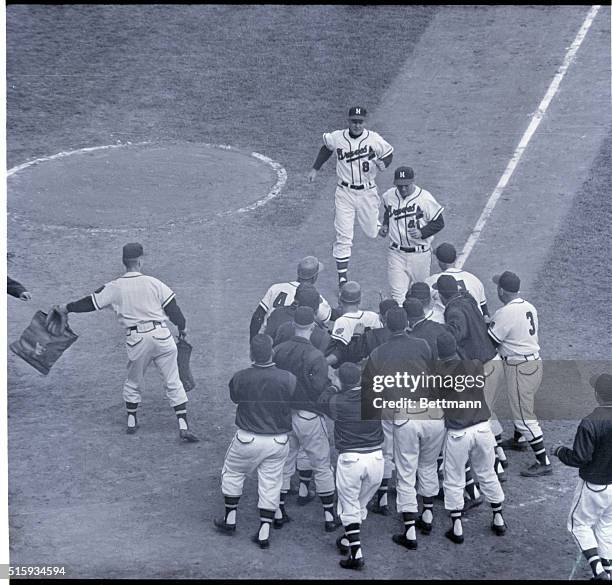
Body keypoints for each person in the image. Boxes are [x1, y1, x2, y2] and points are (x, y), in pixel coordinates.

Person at [53, 243, 198, 441]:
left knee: (134, 380)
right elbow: (175, 311)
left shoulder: (115, 287)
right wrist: (182, 329)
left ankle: (132, 420)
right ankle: (182, 424)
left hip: (137, 339)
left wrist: (66, 308)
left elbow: (89, 303)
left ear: (124, 262)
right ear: (140, 260)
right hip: (162, 336)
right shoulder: (154, 283)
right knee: (173, 380)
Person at [214, 335, 296, 549]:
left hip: (247, 439)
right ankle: (264, 532)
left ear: (251, 354)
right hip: (278, 441)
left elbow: (235, 398)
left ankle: (230, 519)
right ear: (272, 352)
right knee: (271, 482)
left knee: (232, 472)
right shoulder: (288, 378)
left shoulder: (240, 377)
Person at [361, 308, 434, 547]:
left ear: (385, 325)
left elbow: (369, 389)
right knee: (426, 463)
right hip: (429, 411)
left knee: (399, 465)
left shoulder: (378, 352)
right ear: (407, 324)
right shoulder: (423, 344)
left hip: (397, 413)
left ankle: (408, 529)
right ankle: (428, 513)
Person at [307, 106, 394, 287]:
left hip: (367, 193)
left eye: (360, 121)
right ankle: (343, 280)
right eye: (353, 121)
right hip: (344, 193)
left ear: (365, 122)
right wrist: (315, 169)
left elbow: (388, 154)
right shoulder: (338, 137)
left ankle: (382, 224)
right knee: (344, 237)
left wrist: (381, 163)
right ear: (348, 121)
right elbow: (327, 148)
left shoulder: (373, 139)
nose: (356, 125)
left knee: (372, 233)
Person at [273, 306, 340, 532]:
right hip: (309, 416)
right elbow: (319, 389)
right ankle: (330, 516)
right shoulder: (315, 354)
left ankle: (279, 510)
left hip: (283, 415)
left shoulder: (278, 350)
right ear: (312, 326)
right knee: (321, 464)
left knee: (284, 463)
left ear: (293, 325)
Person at [436, 333, 507, 545]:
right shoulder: (474, 365)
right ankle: (499, 518)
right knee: (487, 473)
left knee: (454, 478)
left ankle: (457, 527)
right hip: (483, 429)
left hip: (458, 433)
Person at [436, 274, 507, 477]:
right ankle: (500, 455)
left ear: (442, 296)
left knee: (480, 417)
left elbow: (456, 333)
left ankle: (497, 466)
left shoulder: (455, 310)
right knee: (486, 412)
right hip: (492, 361)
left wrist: (438, 330)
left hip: (483, 367)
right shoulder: (467, 299)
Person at [318, 362, 384, 571]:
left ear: (341, 381)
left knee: (348, 508)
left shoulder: (338, 400)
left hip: (351, 461)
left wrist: (334, 386)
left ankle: (356, 554)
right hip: (376, 461)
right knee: (358, 506)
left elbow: (322, 401)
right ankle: (348, 540)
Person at [488, 271, 552, 477]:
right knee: (520, 402)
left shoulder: (505, 312)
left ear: (501, 290)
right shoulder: (528, 306)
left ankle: (543, 462)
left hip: (519, 367)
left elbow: (492, 342)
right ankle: (519, 440)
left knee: (524, 417)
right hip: (533, 363)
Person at [554, 373, 612, 580]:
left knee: (578, 525)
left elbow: (580, 457)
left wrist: (560, 451)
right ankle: (608, 572)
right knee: (606, 526)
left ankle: (598, 572)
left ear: (597, 395)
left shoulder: (590, 422)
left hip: (595, 485)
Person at [379, 166, 445, 304]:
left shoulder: (425, 199)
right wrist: (386, 224)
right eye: (399, 186)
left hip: (420, 256)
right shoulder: (389, 196)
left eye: (406, 185)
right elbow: (388, 211)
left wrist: (422, 232)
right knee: (398, 297)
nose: (403, 189)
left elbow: (439, 222)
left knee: (421, 295)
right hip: (396, 254)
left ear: (413, 181)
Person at [250, 256, 333, 340]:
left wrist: (253, 342)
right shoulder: (315, 298)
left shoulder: (275, 288)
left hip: (268, 340)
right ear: (314, 277)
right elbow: (328, 317)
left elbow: (257, 316)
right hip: (293, 344)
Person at [425, 242, 489, 322]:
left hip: (449, 328)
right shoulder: (474, 279)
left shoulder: (431, 281)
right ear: (455, 259)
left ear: (439, 262)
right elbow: (485, 311)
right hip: (474, 326)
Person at [326, 281, 382, 368]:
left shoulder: (341, 322)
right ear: (359, 300)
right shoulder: (373, 317)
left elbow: (339, 352)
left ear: (340, 300)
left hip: (351, 368)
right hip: (373, 365)